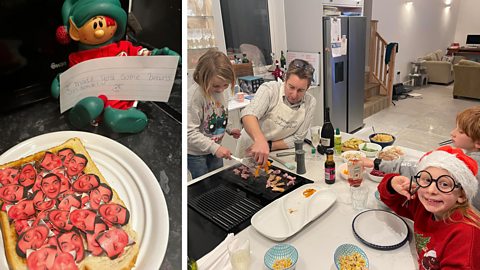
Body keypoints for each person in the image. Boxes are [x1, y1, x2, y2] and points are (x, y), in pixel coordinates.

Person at [378, 146, 480, 269]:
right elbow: (390, 199)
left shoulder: (466, 235)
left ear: (462, 195)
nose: (431, 190)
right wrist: (391, 183)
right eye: (427, 180)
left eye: (444, 184)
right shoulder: (424, 205)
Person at [364, 105, 480, 209]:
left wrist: (377, 163)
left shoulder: (469, 168)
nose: (452, 133)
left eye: (460, 131)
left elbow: (420, 170)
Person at [235, 59, 316, 165]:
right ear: (285, 79)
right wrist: (260, 140)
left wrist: (269, 146)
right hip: (250, 148)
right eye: (291, 87)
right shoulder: (270, 90)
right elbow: (249, 115)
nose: (294, 94)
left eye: (301, 90)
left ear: (308, 88)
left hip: (276, 152)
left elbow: (298, 138)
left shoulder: (310, 102)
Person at [187, 49, 240, 178]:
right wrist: (214, 148)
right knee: (203, 186)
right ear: (202, 77)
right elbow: (189, 132)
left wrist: (229, 128)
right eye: (216, 86)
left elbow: (220, 113)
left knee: (218, 180)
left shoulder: (222, 90)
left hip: (215, 147)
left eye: (225, 85)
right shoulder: (195, 96)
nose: (221, 90)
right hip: (196, 153)